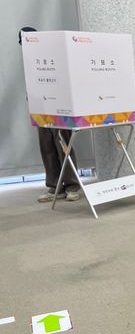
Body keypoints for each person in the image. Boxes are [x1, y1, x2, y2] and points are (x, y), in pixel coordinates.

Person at [18, 27, 81, 203]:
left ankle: (71, 186)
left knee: (64, 146)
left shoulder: (54, 53)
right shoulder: (28, 60)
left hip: (59, 106)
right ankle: (55, 186)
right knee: (47, 147)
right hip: (40, 107)